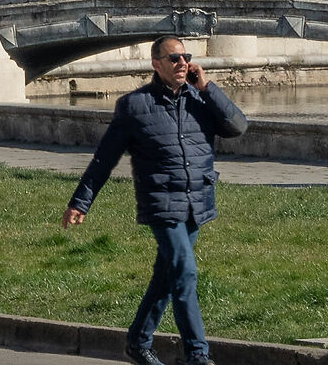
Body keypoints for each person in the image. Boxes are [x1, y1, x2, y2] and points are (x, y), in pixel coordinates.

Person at [63, 34, 247, 365]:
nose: (182, 63)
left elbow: (237, 126)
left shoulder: (200, 100)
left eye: (185, 57)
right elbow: (105, 158)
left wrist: (207, 88)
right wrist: (81, 201)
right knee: (185, 271)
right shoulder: (135, 106)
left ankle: (137, 341)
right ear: (156, 64)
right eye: (173, 58)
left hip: (196, 201)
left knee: (168, 275)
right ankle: (197, 354)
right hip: (162, 204)